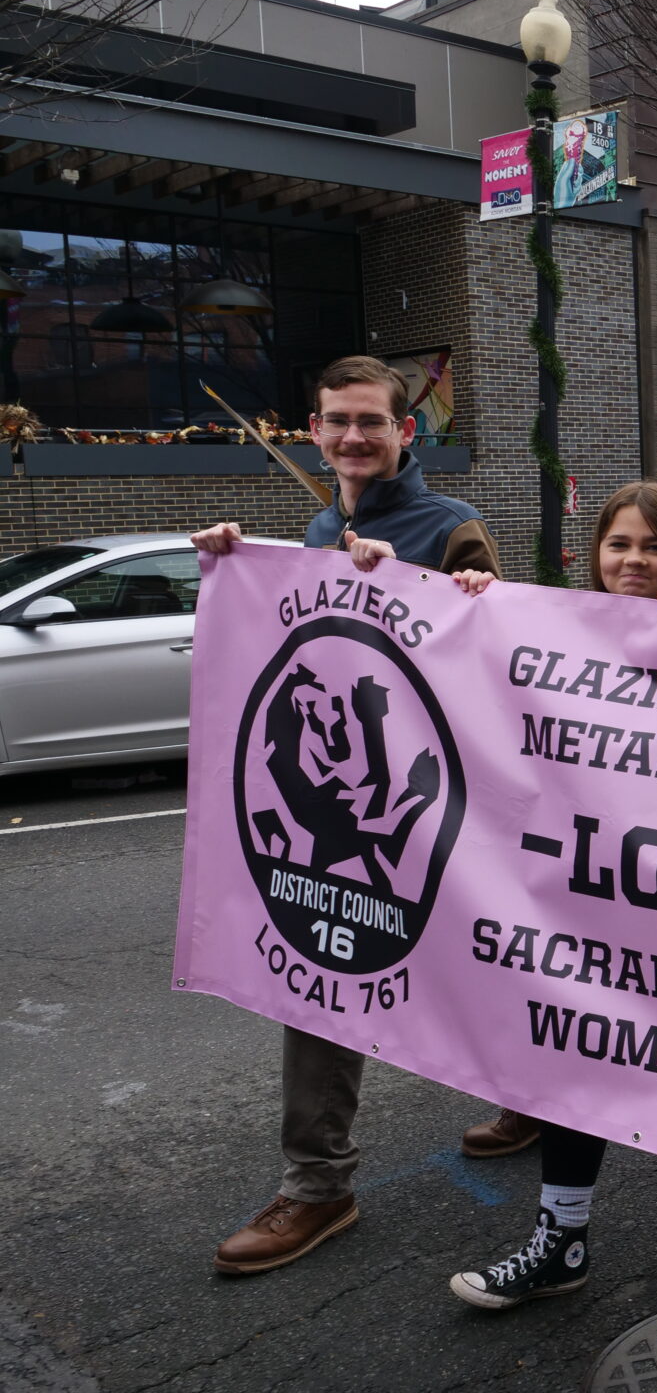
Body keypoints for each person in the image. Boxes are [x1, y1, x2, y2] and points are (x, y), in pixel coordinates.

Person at [192, 355, 503, 1276]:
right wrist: (236, 567)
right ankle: (319, 1187)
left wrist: (463, 593)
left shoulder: (451, 527)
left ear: (407, 431)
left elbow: (500, 657)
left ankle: (534, 1099)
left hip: (441, 809)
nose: (354, 436)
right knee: (321, 968)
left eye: (372, 420)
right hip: (337, 803)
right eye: (337, 421)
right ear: (315, 431)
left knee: (489, 963)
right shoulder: (320, 524)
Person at [435, 481, 657, 1309]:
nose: (635, 562)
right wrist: (476, 607)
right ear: (595, 554)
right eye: (619, 544)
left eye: (654, 547)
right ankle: (563, 1237)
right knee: (576, 1048)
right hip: (591, 901)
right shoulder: (550, 632)